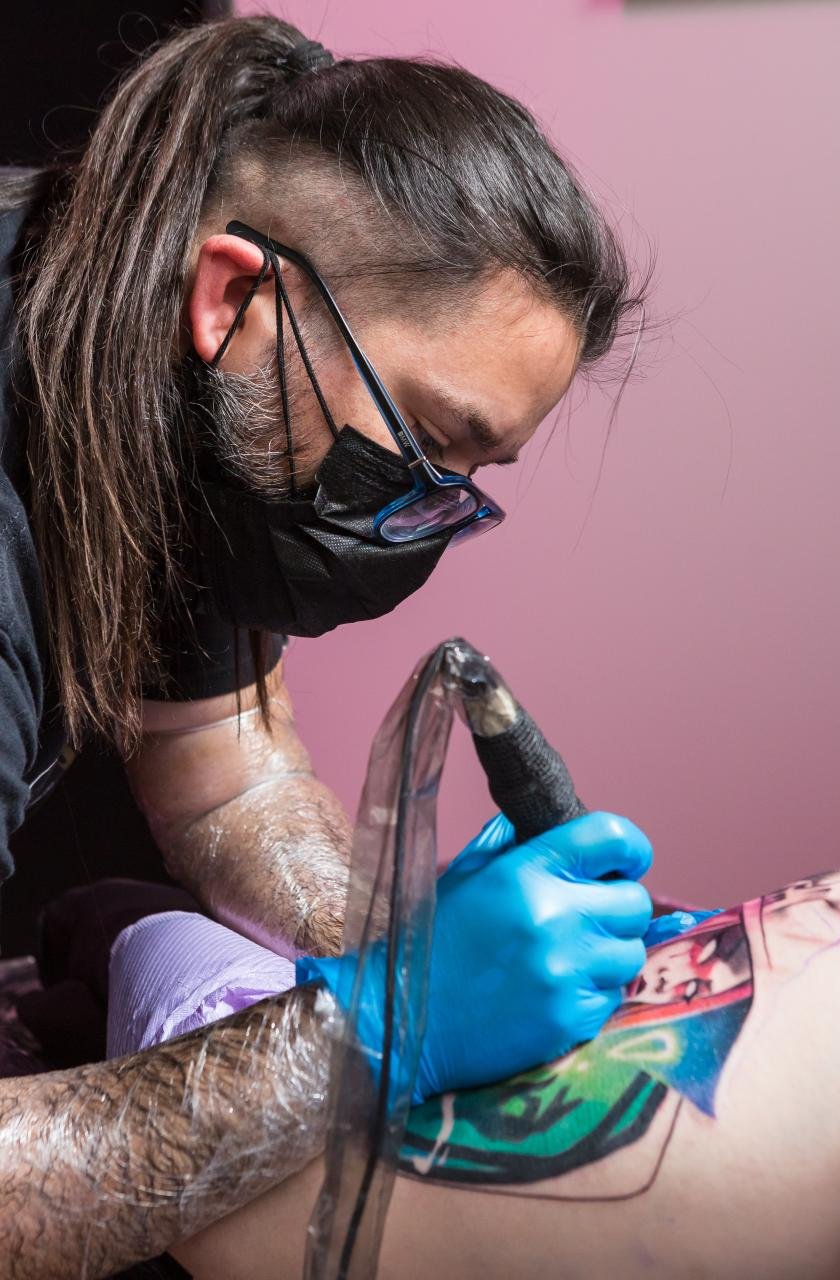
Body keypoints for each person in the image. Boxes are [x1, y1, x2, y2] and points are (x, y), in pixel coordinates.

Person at [0, 15, 656, 1276]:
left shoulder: (144, 381)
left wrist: (387, 934)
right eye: (424, 440)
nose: (420, 516)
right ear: (235, 297)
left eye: (469, 477)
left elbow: (222, 770)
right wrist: (378, 1026)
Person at [153, 861, 840, 1280]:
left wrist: (378, 1012)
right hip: (211, 1083)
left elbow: (212, 1198)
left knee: (146, 925)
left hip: (199, 1143)